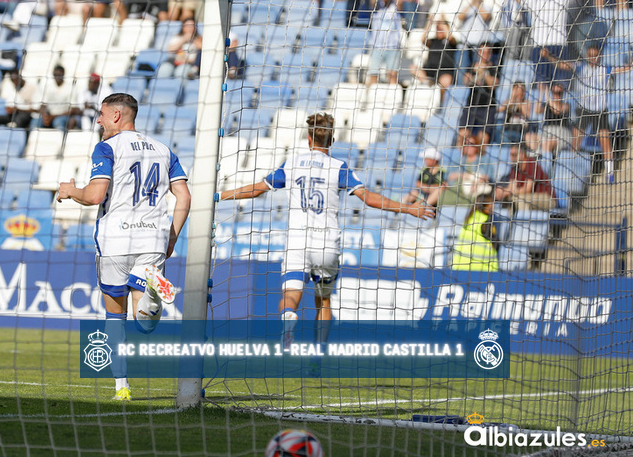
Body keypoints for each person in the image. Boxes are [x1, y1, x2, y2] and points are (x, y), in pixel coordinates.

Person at [218, 113, 434, 368]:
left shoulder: (292, 164)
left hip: (298, 241)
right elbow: (368, 198)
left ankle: (289, 321)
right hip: (327, 244)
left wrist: (219, 195)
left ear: (309, 138)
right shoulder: (339, 167)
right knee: (324, 300)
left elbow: (257, 189)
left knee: (290, 295)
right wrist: (407, 208)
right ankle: (317, 355)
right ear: (331, 140)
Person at [57, 93, 191, 401]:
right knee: (145, 323)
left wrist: (70, 190)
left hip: (116, 240)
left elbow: (94, 196)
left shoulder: (106, 148)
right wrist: (171, 237)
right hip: (153, 240)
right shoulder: (163, 149)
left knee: (114, 316)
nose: (98, 120)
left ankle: (122, 387)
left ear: (117, 116)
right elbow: (183, 197)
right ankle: (154, 295)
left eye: (102, 115)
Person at [546, 44, 633, 183]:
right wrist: (549, 56)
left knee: (605, 140)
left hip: (600, 111)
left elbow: (624, 69)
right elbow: (562, 65)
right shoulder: (581, 67)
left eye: (595, 55)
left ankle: (609, 172)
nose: (592, 58)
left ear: (599, 56)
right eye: (590, 55)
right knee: (576, 141)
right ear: (587, 56)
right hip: (584, 109)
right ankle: (569, 169)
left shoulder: (605, 69)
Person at [494, 142, 557, 212]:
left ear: (522, 155)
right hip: (530, 197)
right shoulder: (515, 167)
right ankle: (509, 220)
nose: (511, 158)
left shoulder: (531, 164)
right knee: (508, 199)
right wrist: (502, 191)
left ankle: (522, 222)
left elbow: (527, 189)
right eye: (510, 155)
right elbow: (511, 187)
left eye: (514, 155)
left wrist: (506, 192)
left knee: (519, 199)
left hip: (547, 198)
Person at [412, 16, 457, 103]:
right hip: (430, 70)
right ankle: (428, 84)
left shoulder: (451, 42)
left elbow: (450, 37)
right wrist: (429, 23)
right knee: (413, 68)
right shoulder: (433, 41)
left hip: (444, 70)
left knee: (446, 81)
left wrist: (442, 23)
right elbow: (423, 39)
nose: (438, 30)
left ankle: (441, 103)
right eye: (437, 28)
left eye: (441, 29)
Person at [452, 192, 500, 272]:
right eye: (491, 205)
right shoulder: (486, 222)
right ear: (484, 206)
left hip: (461, 265)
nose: (493, 207)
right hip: (482, 267)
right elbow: (495, 243)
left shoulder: (469, 218)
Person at [366, 0, 404, 85]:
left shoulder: (395, 8)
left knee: (392, 76)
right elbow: (372, 1)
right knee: (373, 74)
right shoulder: (377, 7)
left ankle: (392, 98)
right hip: (377, 47)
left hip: (393, 47)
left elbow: (400, 2)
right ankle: (372, 96)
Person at [30, 64, 73, 131]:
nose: (57, 77)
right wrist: (45, 116)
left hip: (62, 116)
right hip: (49, 115)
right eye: (55, 74)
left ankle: (60, 141)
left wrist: (53, 117)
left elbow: (72, 110)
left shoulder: (70, 88)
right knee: (35, 123)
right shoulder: (48, 87)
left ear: (63, 74)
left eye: (59, 74)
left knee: (58, 123)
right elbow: (43, 105)